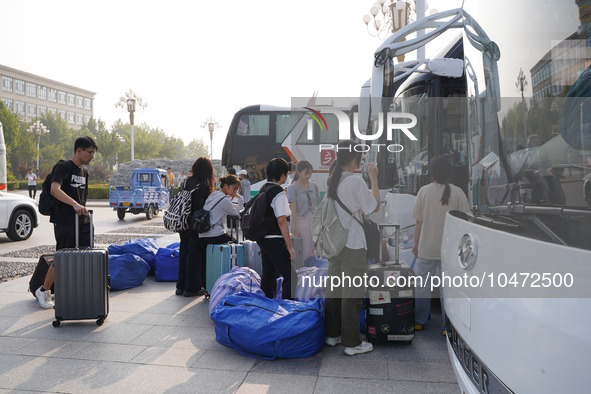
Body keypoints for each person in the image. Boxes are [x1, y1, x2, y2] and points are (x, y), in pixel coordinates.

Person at [324, 140, 379, 356]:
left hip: (335, 243)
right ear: (355, 158)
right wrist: (373, 178)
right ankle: (352, 342)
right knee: (352, 294)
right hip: (353, 244)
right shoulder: (355, 181)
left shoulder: (333, 179)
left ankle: (333, 335)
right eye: (361, 158)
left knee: (335, 291)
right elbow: (371, 208)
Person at [34, 136, 98, 309]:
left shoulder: (85, 172)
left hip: (82, 221)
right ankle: (43, 290)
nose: (92, 156)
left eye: (94, 153)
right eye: (90, 152)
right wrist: (75, 205)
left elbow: (81, 198)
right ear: (79, 150)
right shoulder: (63, 167)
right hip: (64, 220)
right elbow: (55, 190)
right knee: (62, 257)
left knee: (85, 257)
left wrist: (81, 209)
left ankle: (75, 290)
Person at [412, 156, 471, 336]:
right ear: (450, 172)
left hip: (427, 248)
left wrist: (415, 244)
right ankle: (447, 327)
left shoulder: (424, 191)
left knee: (422, 285)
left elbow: (418, 223)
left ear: (432, 173)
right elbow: (465, 221)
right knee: (448, 288)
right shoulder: (458, 192)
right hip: (450, 250)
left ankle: (419, 322)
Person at [256, 158, 296, 300]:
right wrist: (289, 247)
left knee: (268, 273)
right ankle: (287, 310)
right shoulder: (278, 192)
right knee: (291, 276)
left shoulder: (264, 189)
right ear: (282, 174)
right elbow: (281, 220)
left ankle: (264, 304)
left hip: (263, 239)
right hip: (274, 239)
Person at [176, 158, 214, 297]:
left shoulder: (186, 181)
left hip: (183, 222)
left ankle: (180, 287)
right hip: (195, 224)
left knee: (184, 254)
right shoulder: (204, 186)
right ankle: (191, 289)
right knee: (194, 256)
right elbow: (204, 207)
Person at [287, 160, 319, 262]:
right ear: (299, 172)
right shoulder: (293, 187)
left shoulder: (314, 186)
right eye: (306, 173)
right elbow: (293, 210)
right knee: (304, 250)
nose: (308, 176)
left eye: (310, 173)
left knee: (315, 248)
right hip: (301, 222)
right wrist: (295, 230)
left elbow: (316, 205)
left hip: (314, 222)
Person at [199, 175, 242, 251]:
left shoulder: (214, 194)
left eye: (237, 189)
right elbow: (237, 214)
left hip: (203, 233)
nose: (235, 191)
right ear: (225, 186)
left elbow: (230, 207)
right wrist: (240, 199)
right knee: (237, 246)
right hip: (214, 234)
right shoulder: (224, 200)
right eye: (234, 188)